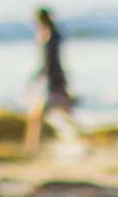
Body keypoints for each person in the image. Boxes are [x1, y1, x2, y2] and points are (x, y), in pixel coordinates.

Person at [24, 8, 86, 156]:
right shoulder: (53, 36)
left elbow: (51, 64)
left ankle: (32, 149)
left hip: (55, 84)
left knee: (38, 117)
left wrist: (40, 77)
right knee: (64, 117)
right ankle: (84, 142)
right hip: (56, 83)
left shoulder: (50, 37)